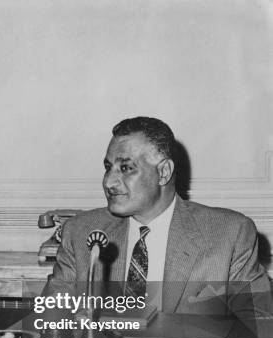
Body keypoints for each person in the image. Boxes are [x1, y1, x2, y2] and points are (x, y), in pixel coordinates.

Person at [43, 116, 272, 319]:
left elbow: (259, 325)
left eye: (126, 168)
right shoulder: (80, 232)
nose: (108, 182)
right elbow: (50, 317)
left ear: (163, 172)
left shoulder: (230, 234)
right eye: (108, 167)